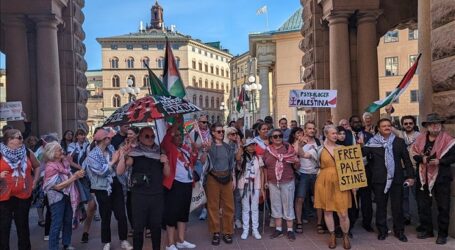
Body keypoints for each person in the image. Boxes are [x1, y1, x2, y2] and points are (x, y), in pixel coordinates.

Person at [117, 127, 170, 250]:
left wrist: (166, 162)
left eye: (152, 136)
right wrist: (123, 156)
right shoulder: (135, 152)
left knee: (156, 227)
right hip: (139, 196)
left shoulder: (160, 151)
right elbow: (120, 171)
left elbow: (167, 173)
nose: (150, 139)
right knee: (138, 228)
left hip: (157, 195)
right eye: (147, 136)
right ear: (140, 137)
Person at [363, 118, 415, 242]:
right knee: (381, 206)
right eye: (384, 126)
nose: (387, 127)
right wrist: (360, 145)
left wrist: (410, 176)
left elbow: (407, 160)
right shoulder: (372, 142)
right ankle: (382, 231)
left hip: (396, 179)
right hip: (379, 179)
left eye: (388, 125)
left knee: (398, 207)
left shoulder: (399, 142)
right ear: (379, 129)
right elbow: (361, 155)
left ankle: (399, 231)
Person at [83, 128, 132, 250]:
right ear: (103, 140)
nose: (111, 139)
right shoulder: (92, 155)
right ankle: (106, 242)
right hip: (101, 187)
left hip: (115, 183)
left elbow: (118, 164)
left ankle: (124, 240)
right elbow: (101, 172)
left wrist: (122, 154)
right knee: (105, 215)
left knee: (121, 214)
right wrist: (114, 160)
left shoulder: (110, 149)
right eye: (108, 137)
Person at [412, 113, 455, 245]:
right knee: (423, 205)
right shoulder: (420, 139)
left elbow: (453, 157)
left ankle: (442, 234)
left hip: (442, 178)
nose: (435, 126)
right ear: (427, 126)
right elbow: (414, 154)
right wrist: (422, 158)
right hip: (423, 177)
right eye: (432, 124)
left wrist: (440, 161)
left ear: (440, 125)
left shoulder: (449, 140)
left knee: (443, 207)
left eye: (437, 123)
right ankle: (427, 229)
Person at [0, 129, 40, 250]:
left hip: (23, 194)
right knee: (3, 227)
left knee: (23, 226)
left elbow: (37, 166)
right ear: (9, 140)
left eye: (22, 137)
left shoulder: (26, 152)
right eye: (19, 137)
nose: (22, 140)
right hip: (3, 196)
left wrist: (35, 181)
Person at [314, 125, 352, 249]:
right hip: (324, 181)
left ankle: (345, 235)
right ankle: (332, 235)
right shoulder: (320, 149)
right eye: (333, 133)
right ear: (326, 134)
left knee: (343, 212)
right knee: (328, 210)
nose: (336, 135)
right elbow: (306, 157)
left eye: (336, 133)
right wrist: (299, 144)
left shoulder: (342, 148)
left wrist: (353, 184)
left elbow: (351, 167)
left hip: (341, 182)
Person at [160, 125, 197, 250]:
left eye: (180, 135)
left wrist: (195, 152)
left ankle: (181, 240)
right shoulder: (170, 148)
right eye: (176, 135)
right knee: (172, 214)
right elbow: (165, 142)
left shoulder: (185, 149)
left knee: (183, 214)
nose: (179, 137)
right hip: (175, 185)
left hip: (187, 184)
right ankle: (170, 243)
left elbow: (192, 162)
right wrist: (173, 128)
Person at [42, 141, 84, 250]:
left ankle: (67, 244)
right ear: (51, 153)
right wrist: (74, 177)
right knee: (56, 223)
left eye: (61, 149)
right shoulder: (50, 167)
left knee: (68, 220)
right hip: (56, 198)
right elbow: (57, 187)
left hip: (68, 195)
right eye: (59, 150)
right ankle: (53, 247)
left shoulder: (64, 163)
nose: (62, 151)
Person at [200, 123, 236, 246]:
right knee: (213, 206)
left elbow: (232, 164)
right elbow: (203, 161)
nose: (221, 133)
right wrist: (205, 150)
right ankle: (215, 232)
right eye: (219, 131)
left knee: (229, 206)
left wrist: (234, 179)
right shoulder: (209, 146)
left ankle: (227, 231)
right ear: (213, 133)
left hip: (227, 177)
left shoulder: (228, 147)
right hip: (213, 178)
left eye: (222, 131)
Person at [263, 129, 299, 242]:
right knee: (275, 205)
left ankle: (289, 230)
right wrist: (265, 181)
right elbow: (264, 166)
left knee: (288, 205)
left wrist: (296, 162)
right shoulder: (267, 150)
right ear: (271, 139)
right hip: (272, 182)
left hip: (287, 180)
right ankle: (278, 229)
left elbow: (296, 165)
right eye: (275, 136)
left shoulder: (288, 148)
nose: (278, 138)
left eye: (280, 136)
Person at [292, 122, 323, 234]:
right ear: (305, 129)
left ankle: (319, 223)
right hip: (303, 174)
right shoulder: (298, 141)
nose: (312, 130)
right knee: (300, 199)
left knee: (318, 199)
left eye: (313, 128)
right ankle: (299, 222)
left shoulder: (319, 142)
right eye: (309, 128)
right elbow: (296, 153)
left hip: (316, 174)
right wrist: (299, 144)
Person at [237, 139, 263, 240]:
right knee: (246, 208)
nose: (252, 147)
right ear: (246, 147)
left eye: (253, 145)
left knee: (255, 208)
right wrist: (240, 147)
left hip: (255, 185)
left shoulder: (258, 158)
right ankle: (245, 229)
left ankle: (255, 230)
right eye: (250, 145)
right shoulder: (242, 157)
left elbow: (261, 172)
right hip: (243, 185)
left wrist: (262, 187)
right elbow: (237, 159)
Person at [187, 115, 211, 220]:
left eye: (206, 122)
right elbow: (189, 147)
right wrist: (197, 147)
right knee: (199, 185)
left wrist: (209, 147)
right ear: (198, 123)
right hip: (198, 163)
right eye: (202, 122)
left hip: (210, 162)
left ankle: (206, 208)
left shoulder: (211, 134)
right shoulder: (194, 134)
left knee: (208, 186)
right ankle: (201, 207)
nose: (204, 124)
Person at [224, 127, 242, 229]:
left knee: (237, 197)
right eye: (232, 134)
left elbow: (239, 158)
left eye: (236, 133)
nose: (234, 136)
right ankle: (230, 219)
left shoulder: (238, 145)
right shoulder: (225, 146)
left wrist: (239, 144)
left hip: (238, 172)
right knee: (228, 198)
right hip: (228, 174)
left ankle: (237, 219)